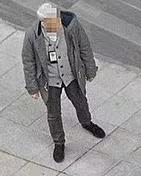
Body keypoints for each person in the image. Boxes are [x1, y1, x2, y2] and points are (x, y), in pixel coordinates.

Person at [22, 3, 105, 163]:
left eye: (57, 20)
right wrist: (32, 87)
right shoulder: (32, 35)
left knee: (81, 101)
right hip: (50, 80)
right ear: (43, 23)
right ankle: (59, 143)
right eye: (52, 22)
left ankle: (87, 122)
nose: (57, 24)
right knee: (53, 113)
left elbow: (84, 47)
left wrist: (90, 69)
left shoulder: (72, 27)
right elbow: (28, 61)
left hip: (71, 74)